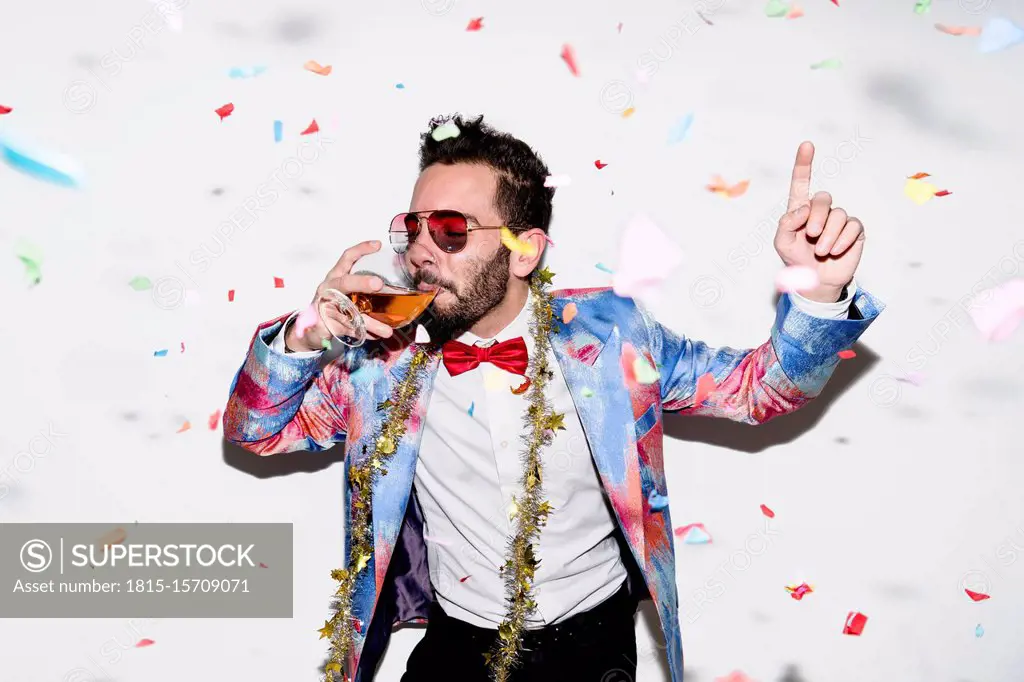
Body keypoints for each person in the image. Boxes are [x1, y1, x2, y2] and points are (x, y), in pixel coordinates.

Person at [223, 114, 883, 682]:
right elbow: (254, 432)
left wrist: (816, 295)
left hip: (592, 647)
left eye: (451, 228)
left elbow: (759, 390)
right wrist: (307, 332)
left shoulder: (614, 338)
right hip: (459, 646)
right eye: (413, 227)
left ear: (523, 251)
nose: (422, 250)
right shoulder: (381, 365)